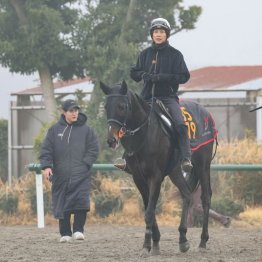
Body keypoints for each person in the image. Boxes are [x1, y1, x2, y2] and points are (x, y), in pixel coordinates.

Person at [130, 17, 192, 173]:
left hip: (167, 97)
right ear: (152, 35)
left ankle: (185, 158)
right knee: (128, 121)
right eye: (156, 32)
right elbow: (134, 73)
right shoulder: (144, 54)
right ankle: (127, 157)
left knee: (179, 124)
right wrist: (143, 75)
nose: (158, 35)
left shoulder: (175, 55)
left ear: (167, 35)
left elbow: (184, 76)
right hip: (146, 97)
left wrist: (163, 77)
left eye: (161, 32)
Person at [39, 99, 99, 243]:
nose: (75, 113)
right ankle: (65, 233)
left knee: (81, 203)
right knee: (62, 204)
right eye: (71, 111)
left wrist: (85, 164)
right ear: (64, 112)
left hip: (81, 174)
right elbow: (46, 150)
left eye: (76, 110)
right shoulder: (54, 130)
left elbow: (93, 149)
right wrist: (47, 167)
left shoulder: (87, 130)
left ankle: (78, 231)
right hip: (60, 175)